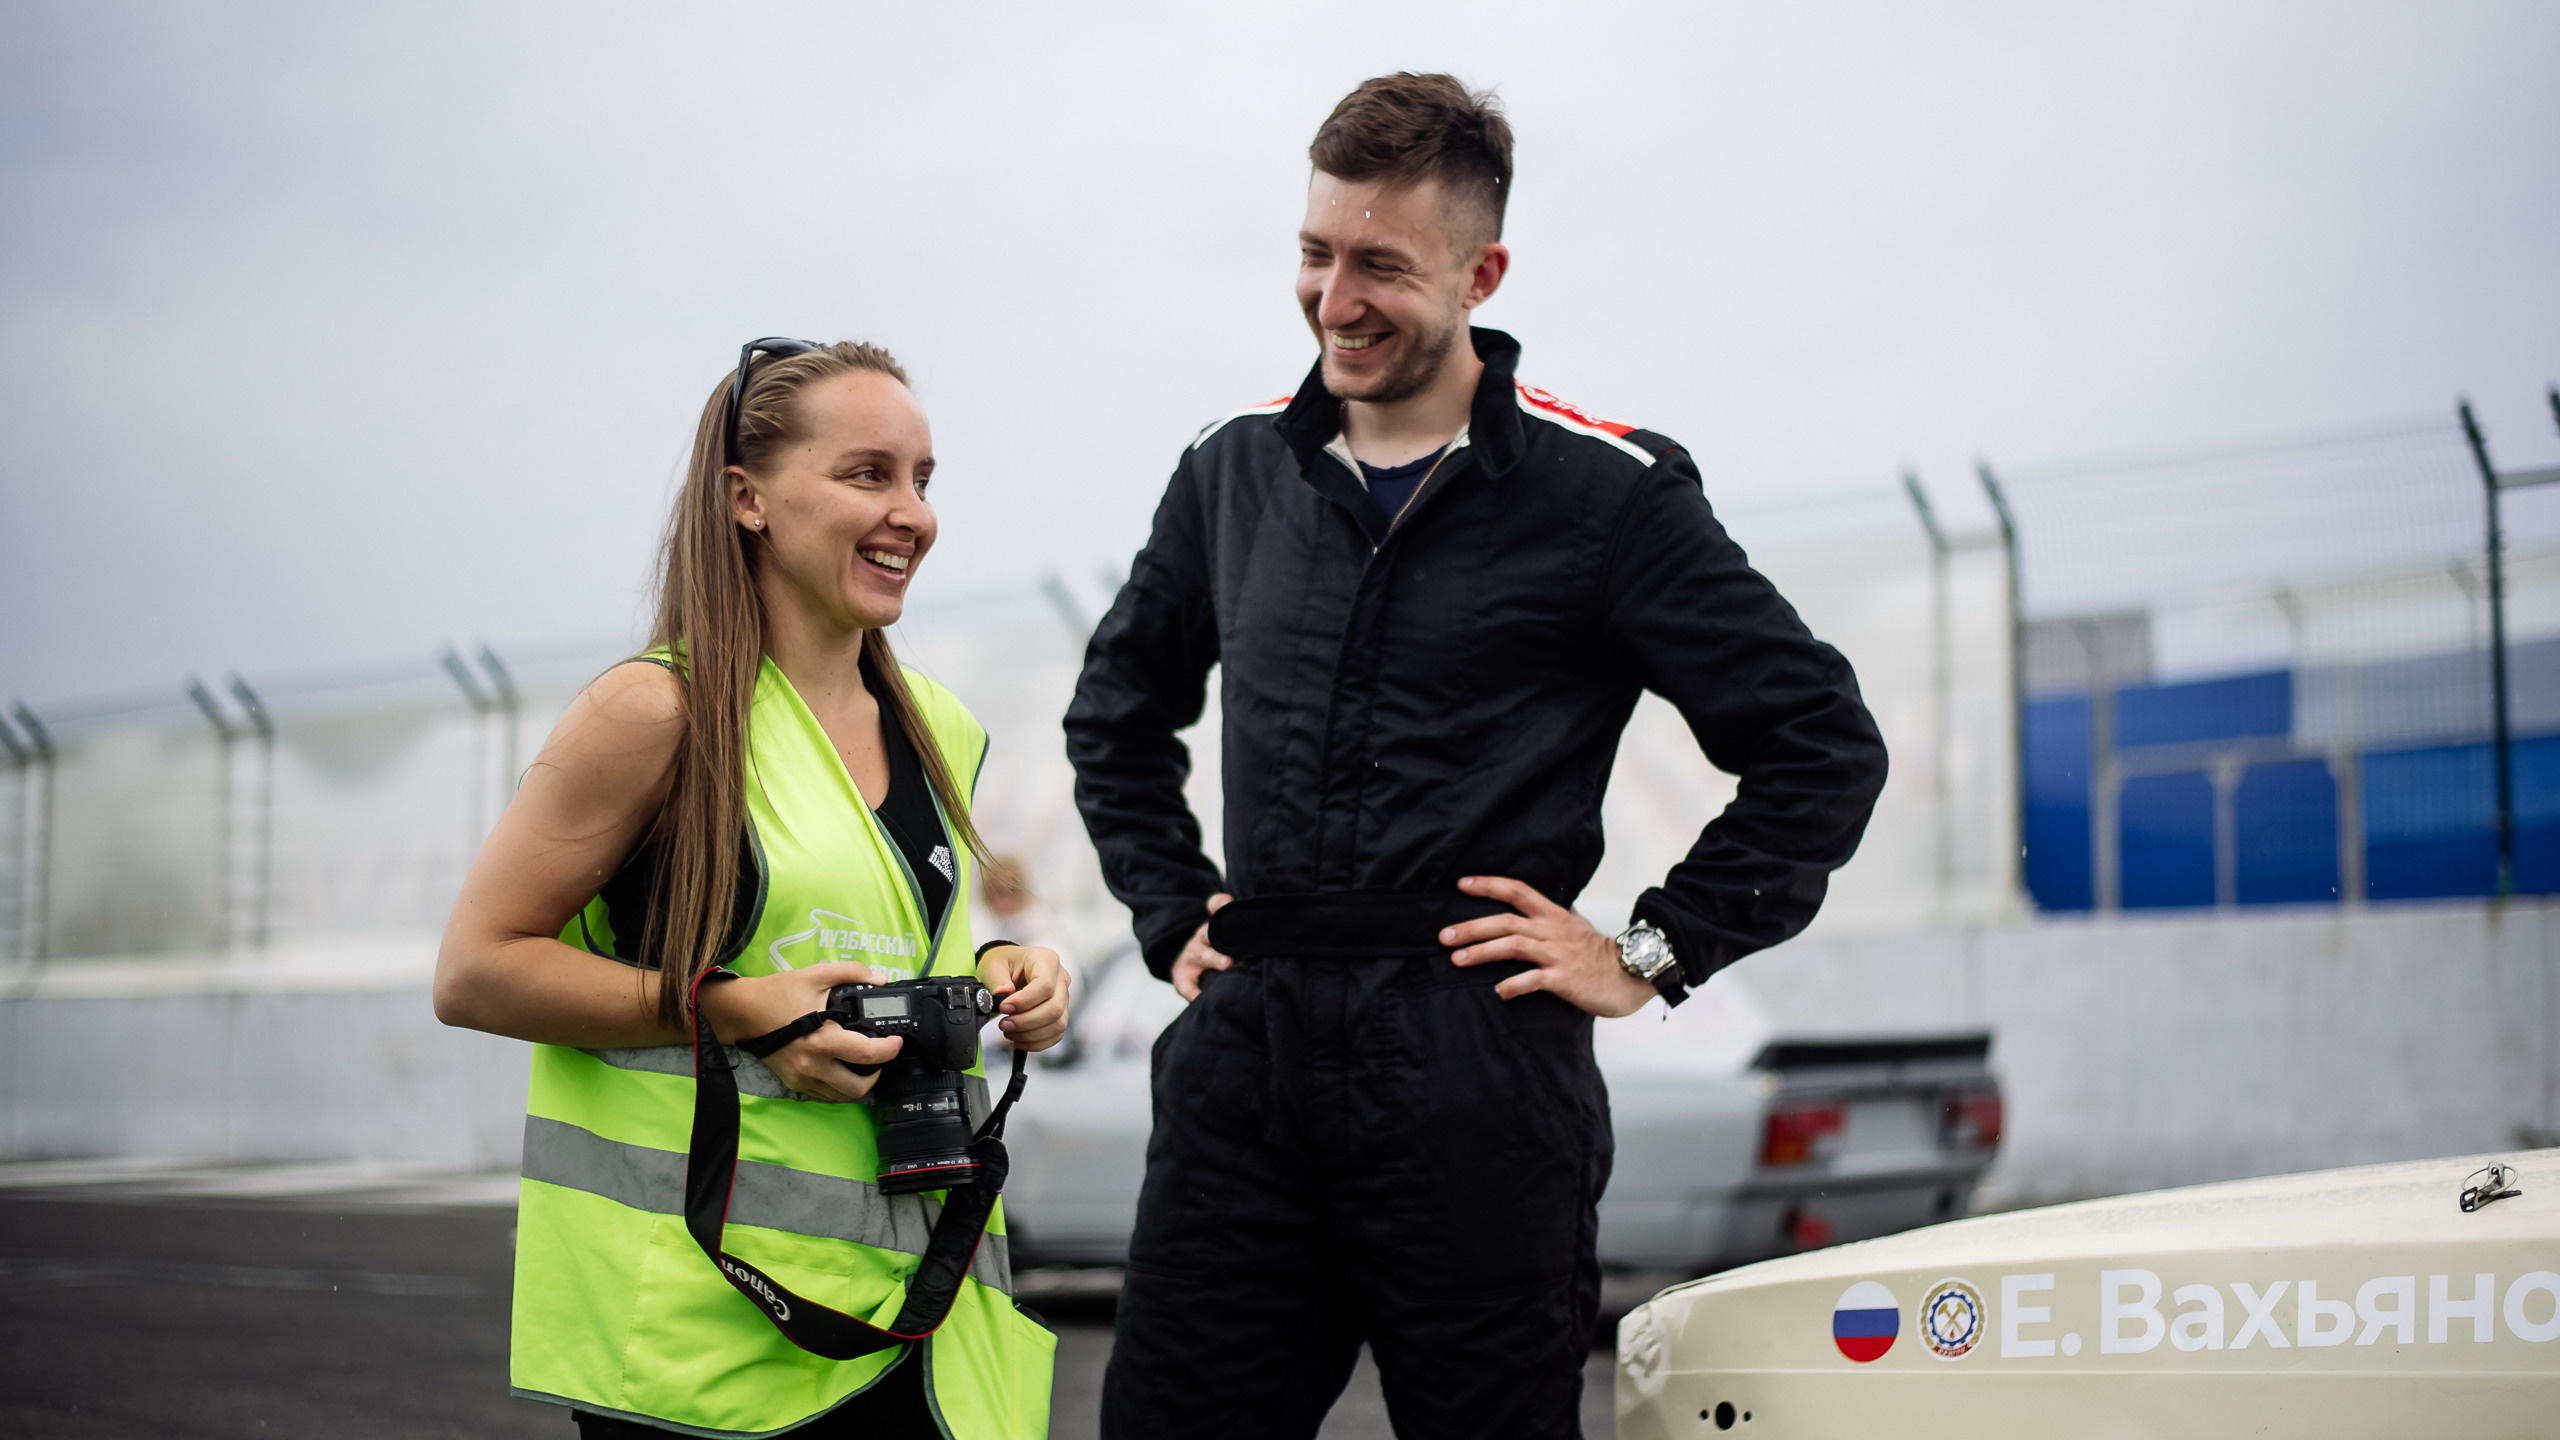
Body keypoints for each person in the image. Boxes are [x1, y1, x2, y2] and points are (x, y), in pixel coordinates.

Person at [1063, 74, 1889, 1438]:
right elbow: (1118, 709)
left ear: (1480, 270)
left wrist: (1649, 952)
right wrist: (1168, 909)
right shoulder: (1229, 477)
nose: (1336, 299)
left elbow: (1818, 742)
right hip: (1245, 1075)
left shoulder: (1607, 496)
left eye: (1380, 264)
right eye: (1316, 254)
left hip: (1474, 1076)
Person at [436, 339, 1069, 1439]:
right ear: (748, 499)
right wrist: (726, 1006)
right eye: (867, 473)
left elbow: (908, 962)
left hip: (914, 1323)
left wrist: (1004, 977)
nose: (910, 513)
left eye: (924, 480)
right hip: (705, 1333)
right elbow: (476, 972)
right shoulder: (653, 714)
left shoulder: (939, 728)